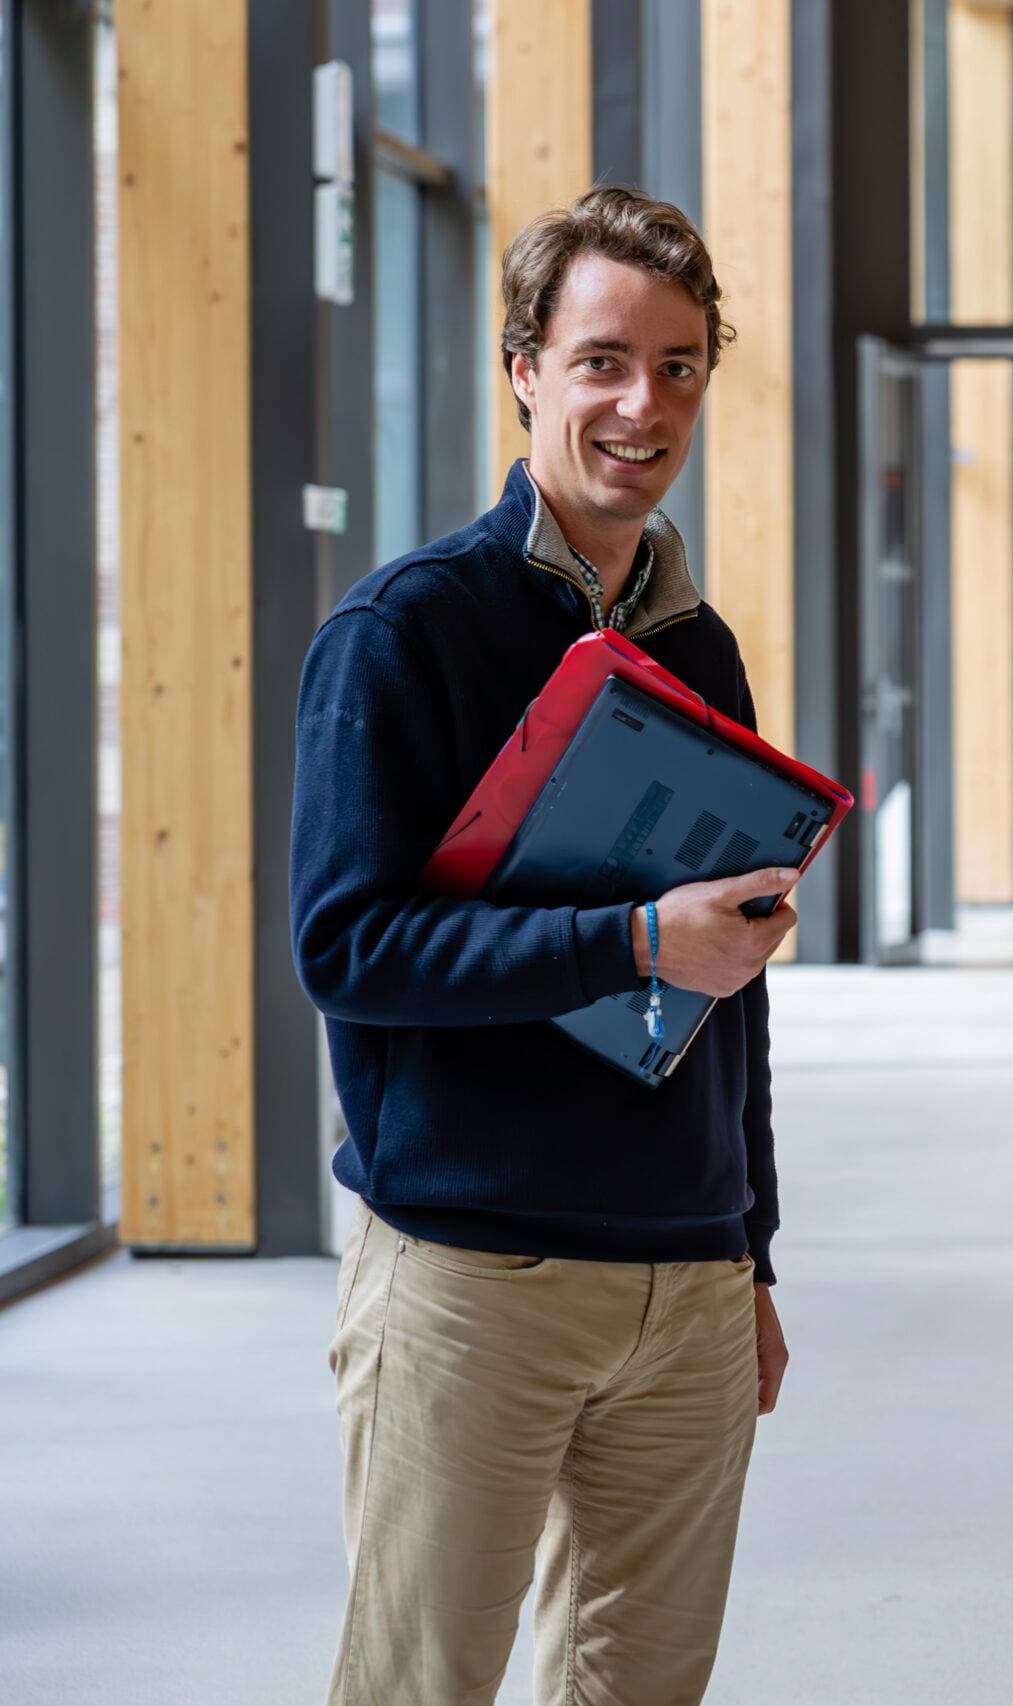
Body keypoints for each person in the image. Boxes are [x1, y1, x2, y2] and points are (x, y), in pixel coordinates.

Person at [291, 186, 793, 1706]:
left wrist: (750, 1245)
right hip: (474, 1269)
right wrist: (636, 939)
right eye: (603, 361)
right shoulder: (405, 629)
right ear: (525, 367)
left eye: (681, 364)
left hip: (684, 1277)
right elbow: (351, 945)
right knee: (420, 1684)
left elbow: (738, 988)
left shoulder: (699, 646)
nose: (645, 404)